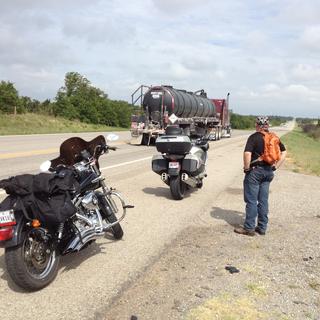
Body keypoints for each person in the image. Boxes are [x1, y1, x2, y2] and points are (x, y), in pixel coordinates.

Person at [234, 116, 287, 236]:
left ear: (257, 125)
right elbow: (284, 152)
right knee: (263, 201)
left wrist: (247, 168)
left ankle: (249, 228)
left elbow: (247, 153)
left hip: (255, 172)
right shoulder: (274, 137)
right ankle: (262, 228)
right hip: (269, 171)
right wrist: (276, 167)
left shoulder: (254, 137)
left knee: (251, 201)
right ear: (268, 125)